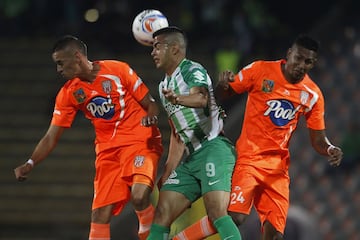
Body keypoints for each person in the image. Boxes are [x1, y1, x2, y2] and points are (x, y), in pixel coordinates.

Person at [172, 34, 343, 240]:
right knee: (233, 217)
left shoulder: (313, 94)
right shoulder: (260, 70)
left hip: (278, 170)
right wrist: (223, 84)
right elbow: (223, 94)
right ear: (289, 54)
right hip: (249, 159)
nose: (301, 65)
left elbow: (318, 140)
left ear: (313, 64)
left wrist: (330, 148)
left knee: (275, 236)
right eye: (298, 58)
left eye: (308, 62)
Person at [13, 35, 163, 240]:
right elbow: (51, 136)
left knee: (139, 196)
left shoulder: (117, 70)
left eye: (60, 63)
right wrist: (30, 163)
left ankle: (154, 237)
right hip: (108, 152)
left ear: (76, 56)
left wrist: (151, 118)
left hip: (139, 141)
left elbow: (151, 104)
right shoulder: (69, 93)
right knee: (99, 214)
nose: (58, 70)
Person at [147, 26, 241, 240]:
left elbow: (202, 99)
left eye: (157, 47)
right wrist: (168, 171)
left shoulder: (191, 70)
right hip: (191, 159)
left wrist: (177, 99)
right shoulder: (164, 86)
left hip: (214, 148)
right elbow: (177, 134)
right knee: (162, 212)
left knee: (216, 211)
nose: (153, 53)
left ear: (175, 49)